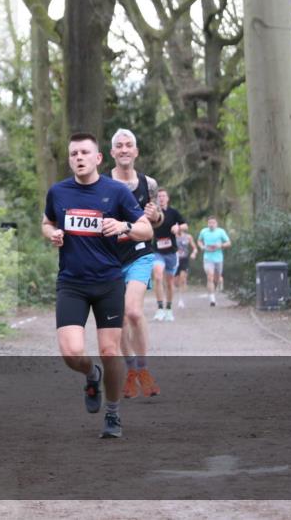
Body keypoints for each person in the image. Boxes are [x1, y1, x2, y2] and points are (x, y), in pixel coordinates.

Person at [43, 132, 154, 438]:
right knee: (71, 352)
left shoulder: (116, 192)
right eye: (73, 153)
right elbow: (46, 221)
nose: (78, 158)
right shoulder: (58, 192)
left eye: (84, 152)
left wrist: (124, 226)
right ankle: (91, 375)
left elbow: (146, 231)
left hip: (108, 282)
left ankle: (113, 413)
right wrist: (50, 234)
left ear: (97, 158)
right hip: (72, 284)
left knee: (109, 349)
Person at [108, 129, 163, 399]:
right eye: (119, 146)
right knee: (118, 322)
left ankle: (143, 369)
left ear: (136, 151)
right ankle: (130, 371)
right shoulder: (102, 183)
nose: (124, 149)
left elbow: (158, 219)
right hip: (109, 259)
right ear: (112, 153)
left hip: (140, 254)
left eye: (129, 145)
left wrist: (155, 215)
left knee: (133, 312)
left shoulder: (148, 183)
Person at [150, 188, 186, 322]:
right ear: (157, 199)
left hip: (171, 252)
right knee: (158, 276)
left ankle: (169, 309)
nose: (161, 198)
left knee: (170, 282)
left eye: (164, 196)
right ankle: (159, 308)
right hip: (157, 251)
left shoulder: (173, 212)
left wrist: (179, 228)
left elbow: (185, 225)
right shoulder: (153, 213)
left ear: (168, 198)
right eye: (159, 196)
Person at [197, 216, 231, 306]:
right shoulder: (203, 231)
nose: (211, 225)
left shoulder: (221, 232)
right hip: (208, 258)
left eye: (213, 223)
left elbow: (228, 243)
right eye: (209, 223)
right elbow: (199, 241)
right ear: (207, 224)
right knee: (210, 277)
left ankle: (220, 281)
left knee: (216, 278)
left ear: (216, 224)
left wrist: (221, 245)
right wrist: (201, 246)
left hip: (218, 258)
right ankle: (212, 299)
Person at [175, 223, 198, 291]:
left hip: (184, 259)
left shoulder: (188, 237)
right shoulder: (172, 236)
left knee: (183, 278)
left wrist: (193, 253)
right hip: (175, 260)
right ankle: (178, 293)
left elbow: (195, 248)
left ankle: (182, 298)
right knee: (175, 282)